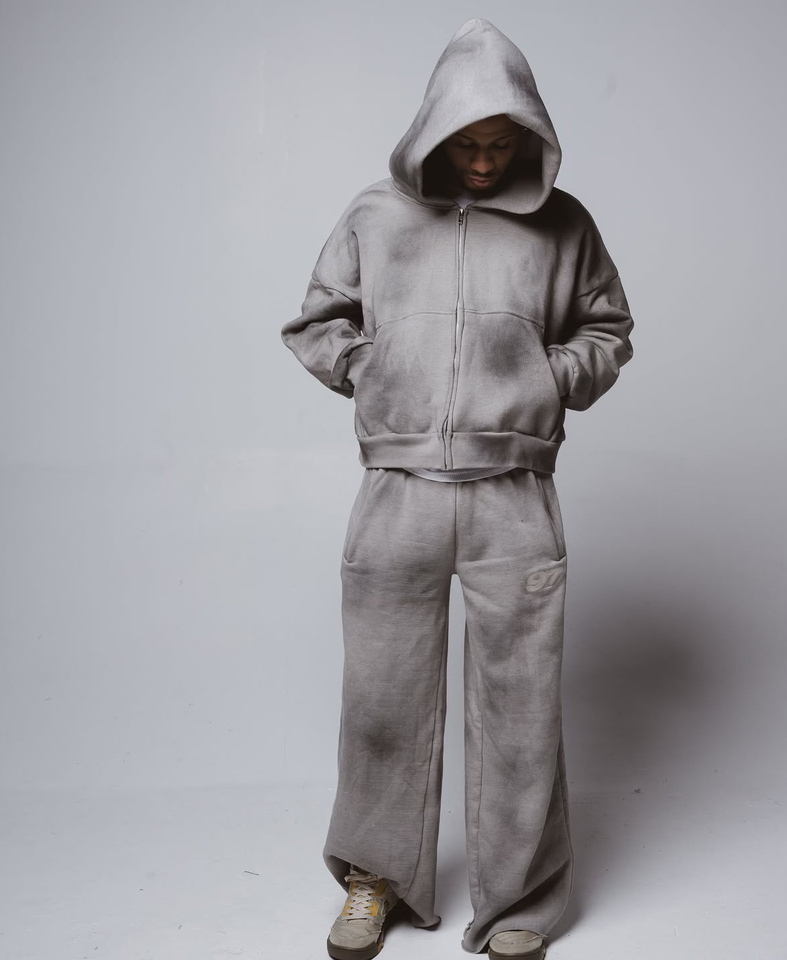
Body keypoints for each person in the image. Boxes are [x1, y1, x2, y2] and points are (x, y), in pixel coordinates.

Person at [281, 17, 634, 960]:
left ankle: (519, 899)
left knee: (521, 702)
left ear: (529, 136)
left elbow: (608, 329)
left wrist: (549, 379)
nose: (482, 163)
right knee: (382, 697)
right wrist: (374, 372)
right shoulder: (374, 215)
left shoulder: (565, 223)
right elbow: (316, 322)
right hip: (397, 485)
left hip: (513, 487)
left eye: (501, 145)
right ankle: (375, 881)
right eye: (467, 144)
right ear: (433, 130)